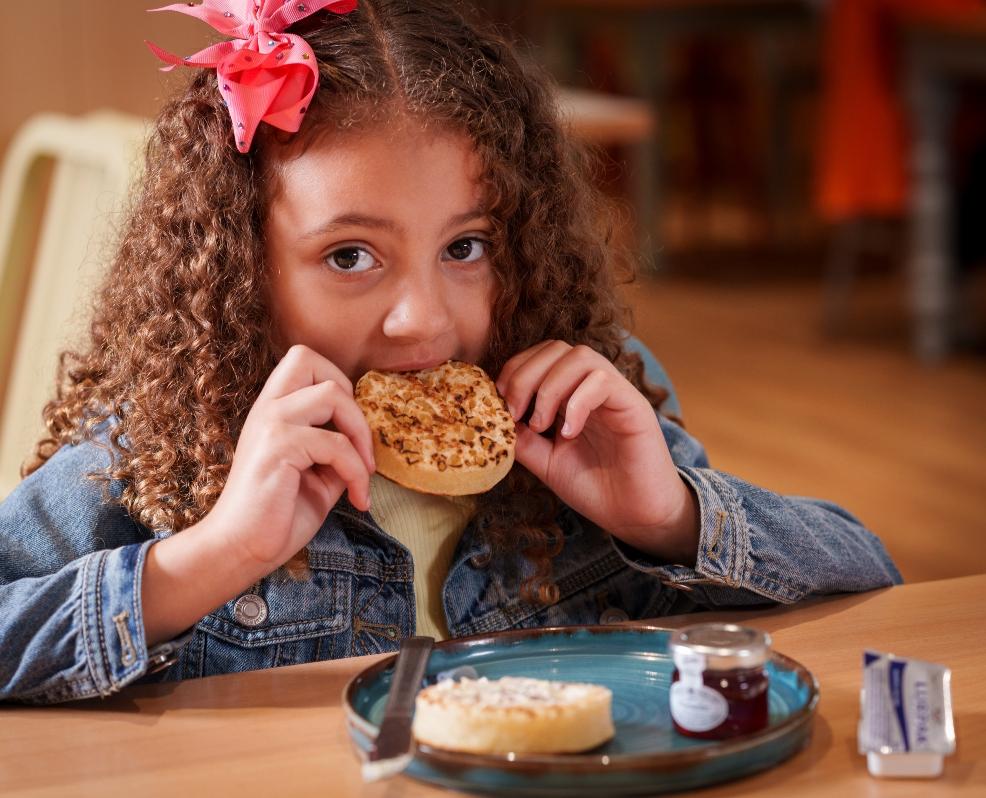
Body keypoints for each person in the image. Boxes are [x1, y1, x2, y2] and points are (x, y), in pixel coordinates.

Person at [0, 0, 901, 705]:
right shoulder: (157, 449)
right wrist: (209, 559)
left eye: (465, 247)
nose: (422, 322)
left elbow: (875, 581)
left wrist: (671, 519)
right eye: (350, 257)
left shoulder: (588, 409)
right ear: (244, 270)